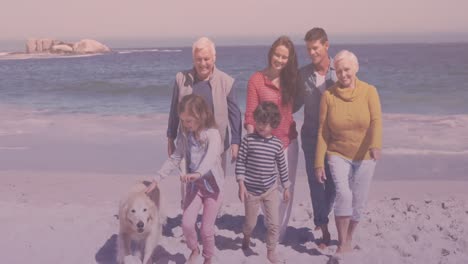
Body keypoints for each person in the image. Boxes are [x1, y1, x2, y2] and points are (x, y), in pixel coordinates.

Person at [314, 50, 382, 255]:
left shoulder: (370, 91)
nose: (343, 74)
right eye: (339, 70)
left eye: (347, 70)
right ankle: (342, 241)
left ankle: (349, 236)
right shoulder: (328, 95)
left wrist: (376, 144)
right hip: (338, 153)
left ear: (356, 68)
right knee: (343, 194)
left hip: (365, 155)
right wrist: (319, 162)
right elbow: (323, 130)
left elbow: (376, 121)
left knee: (359, 201)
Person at [146, 94, 225, 264]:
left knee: (206, 230)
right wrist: (157, 179)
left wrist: (198, 173)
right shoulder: (185, 136)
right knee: (187, 224)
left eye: (189, 121)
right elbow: (175, 158)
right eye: (183, 121)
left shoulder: (213, 135)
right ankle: (195, 249)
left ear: (201, 115)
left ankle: (208, 257)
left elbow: (211, 157)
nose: (186, 125)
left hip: (213, 188)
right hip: (195, 188)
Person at [166, 37, 242, 206]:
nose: (203, 63)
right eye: (199, 59)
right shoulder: (181, 79)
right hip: (188, 142)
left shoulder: (226, 81)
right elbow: (174, 111)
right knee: (187, 181)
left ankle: (211, 218)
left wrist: (236, 141)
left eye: (206, 59)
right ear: (193, 59)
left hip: (216, 143)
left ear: (214, 58)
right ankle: (188, 216)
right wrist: (170, 137)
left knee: (214, 182)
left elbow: (235, 114)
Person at [244, 36, 299, 242]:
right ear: (271, 53)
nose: (280, 59)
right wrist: (250, 145)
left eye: (285, 57)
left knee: (286, 187)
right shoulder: (256, 80)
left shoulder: (293, 79)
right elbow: (250, 114)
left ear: (289, 59)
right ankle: (268, 224)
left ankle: (278, 233)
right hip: (263, 143)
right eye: (277, 54)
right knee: (266, 187)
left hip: (288, 141)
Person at [294, 27, 337, 249]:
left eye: (315, 48)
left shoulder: (339, 71)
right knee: (316, 182)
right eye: (309, 49)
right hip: (311, 136)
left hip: (337, 139)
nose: (312, 53)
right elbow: (295, 104)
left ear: (326, 45)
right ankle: (324, 227)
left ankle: (323, 213)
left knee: (335, 184)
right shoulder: (303, 74)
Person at [236, 101, 290, 263]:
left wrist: (286, 187)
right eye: (259, 121)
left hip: (270, 189)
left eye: (265, 123)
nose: (260, 126)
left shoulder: (277, 144)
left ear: (273, 124)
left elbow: (282, 167)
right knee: (250, 224)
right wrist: (241, 184)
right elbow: (240, 163)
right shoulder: (248, 140)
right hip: (251, 190)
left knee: (274, 224)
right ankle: (246, 236)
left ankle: (271, 251)